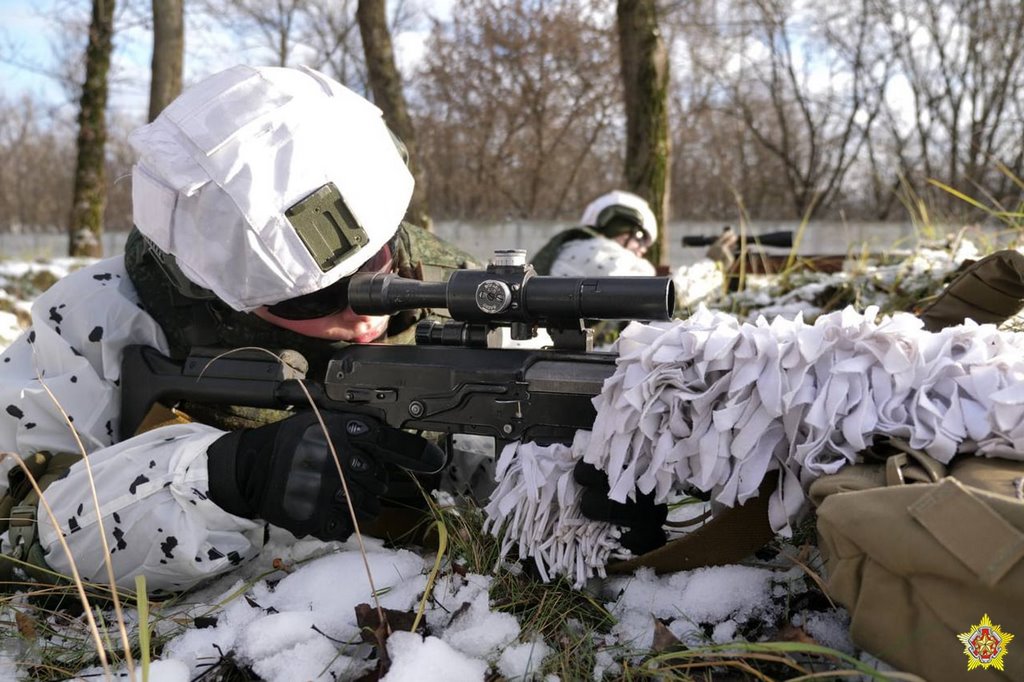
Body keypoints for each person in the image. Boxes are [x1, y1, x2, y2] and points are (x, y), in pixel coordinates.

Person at [0, 64, 480, 594]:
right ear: (213, 288)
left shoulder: (466, 297)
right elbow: (18, 528)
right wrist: (225, 476)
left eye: (377, 269)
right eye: (316, 298)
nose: (364, 314)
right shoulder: (102, 318)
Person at [530, 190, 737, 280]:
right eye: (640, 237)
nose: (644, 249)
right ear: (617, 228)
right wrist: (713, 265)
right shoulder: (594, 253)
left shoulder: (575, 248)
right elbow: (669, 293)